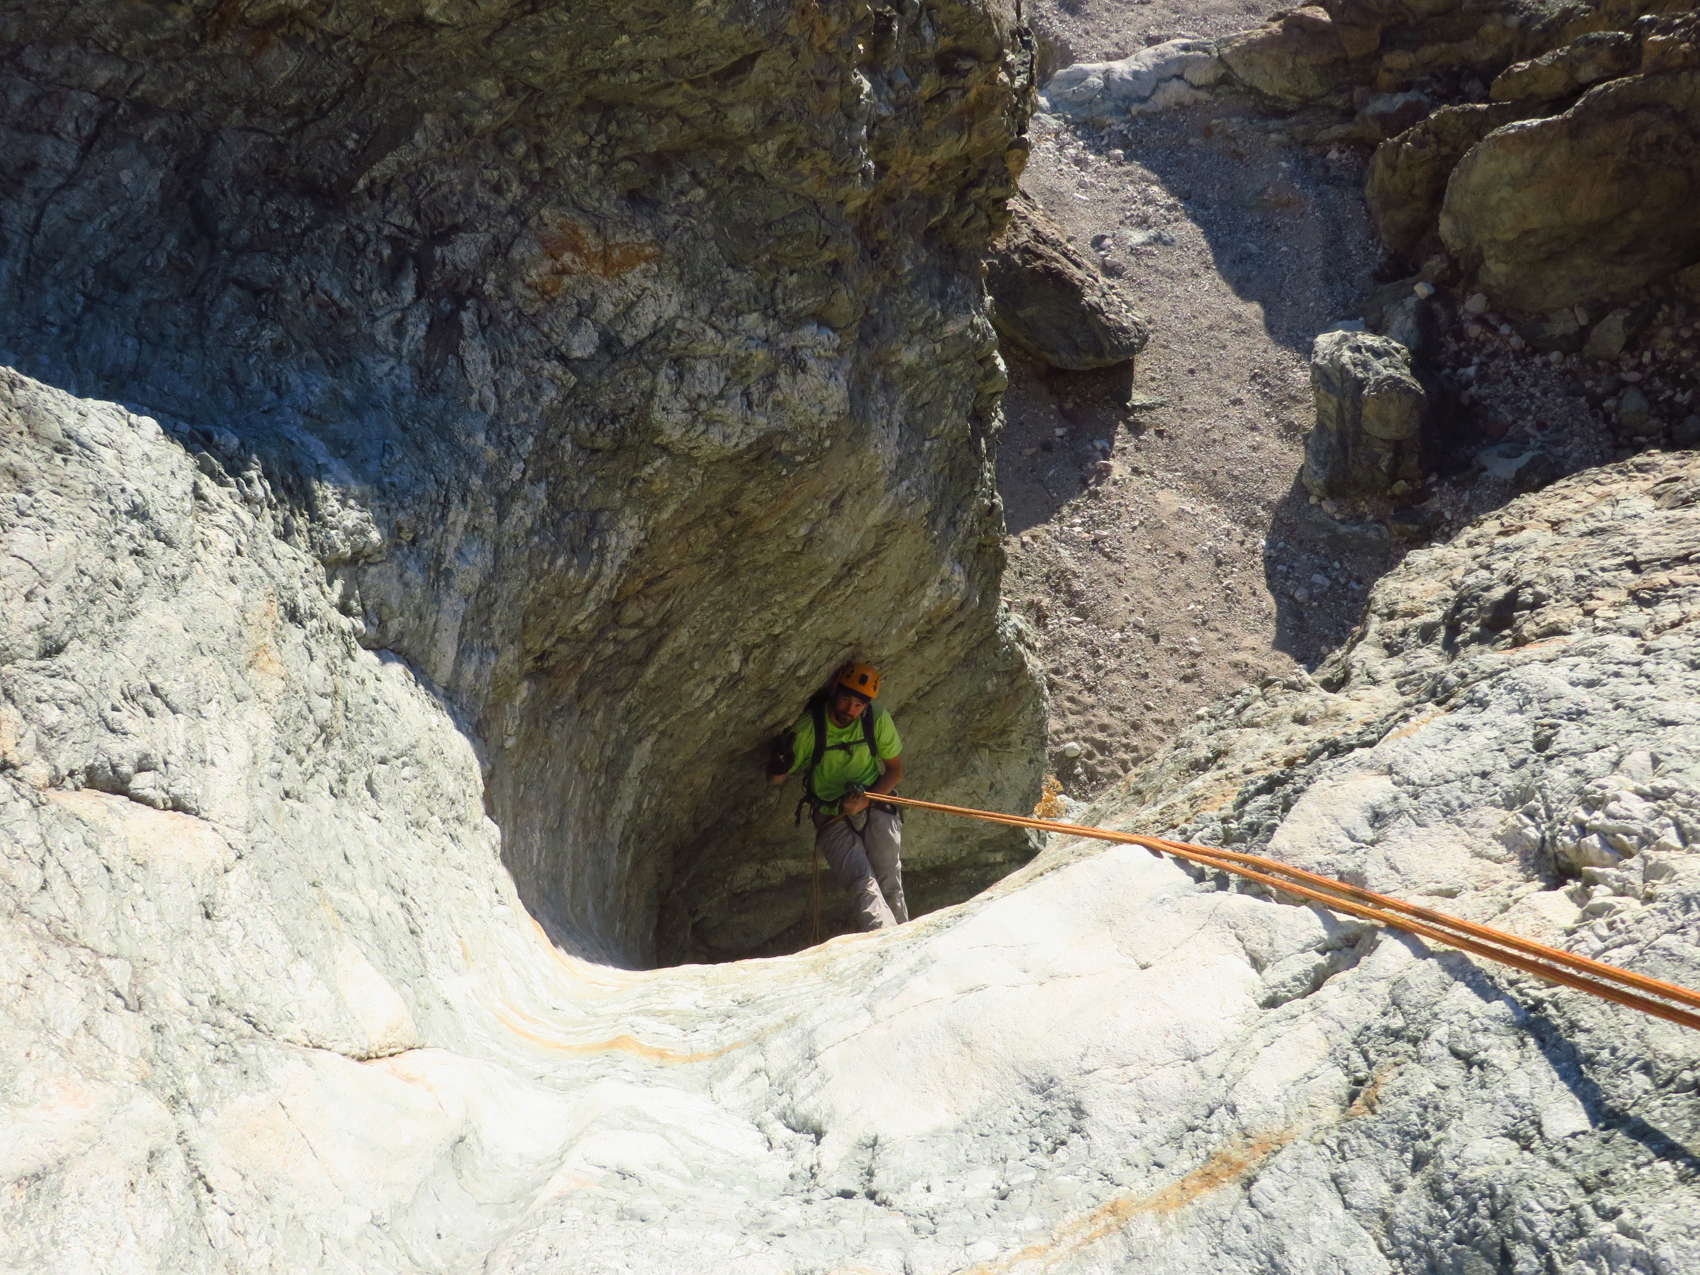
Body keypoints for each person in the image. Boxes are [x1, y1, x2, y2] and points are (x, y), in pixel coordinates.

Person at [768, 662, 909, 930]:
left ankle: (905, 940)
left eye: (858, 705)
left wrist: (866, 800)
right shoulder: (810, 727)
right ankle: (889, 939)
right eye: (845, 700)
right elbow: (776, 780)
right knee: (862, 883)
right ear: (834, 690)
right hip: (830, 814)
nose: (850, 710)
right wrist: (779, 763)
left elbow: (895, 770)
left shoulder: (875, 719)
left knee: (889, 879)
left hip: (875, 804)